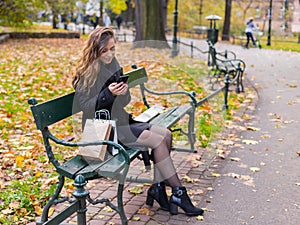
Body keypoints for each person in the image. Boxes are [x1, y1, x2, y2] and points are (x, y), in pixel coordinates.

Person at [72, 27, 204, 216]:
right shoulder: (85, 73)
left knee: (166, 134)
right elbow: (86, 107)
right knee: (157, 141)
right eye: (105, 51)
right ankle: (178, 193)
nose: (110, 54)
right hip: (105, 130)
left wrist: (123, 93)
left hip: (122, 121)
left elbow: (124, 101)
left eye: (113, 49)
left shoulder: (113, 64)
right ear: (95, 50)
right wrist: (108, 94)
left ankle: (158, 188)